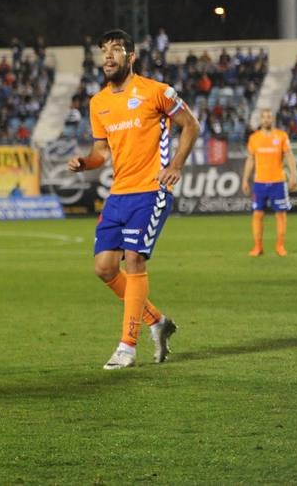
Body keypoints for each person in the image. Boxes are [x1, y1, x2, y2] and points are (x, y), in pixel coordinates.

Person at [68, 29, 200, 369]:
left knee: (134, 261)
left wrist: (175, 165)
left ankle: (127, 346)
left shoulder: (156, 92)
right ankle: (157, 321)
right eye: (104, 51)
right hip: (119, 193)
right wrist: (86, 163)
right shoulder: (98, 103)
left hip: (151, 190)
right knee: (104, 268)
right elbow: (101, 152)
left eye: (116, 49)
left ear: (131, 56)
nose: (108, 56)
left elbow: (191, 125)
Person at [241, 108, 296, 257]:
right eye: (264, 117)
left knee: (281, 215)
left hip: (278, 182)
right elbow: (250, 160)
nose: (266, 119)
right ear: (261, 119)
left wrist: (293, 176)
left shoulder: (281, 136)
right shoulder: (254, 138)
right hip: (259, 183)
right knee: (257, 215)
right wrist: (245, 180)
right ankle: (258, 247)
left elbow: (289, 156)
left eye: (269, 117)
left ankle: (280, 246)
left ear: (273, 119)